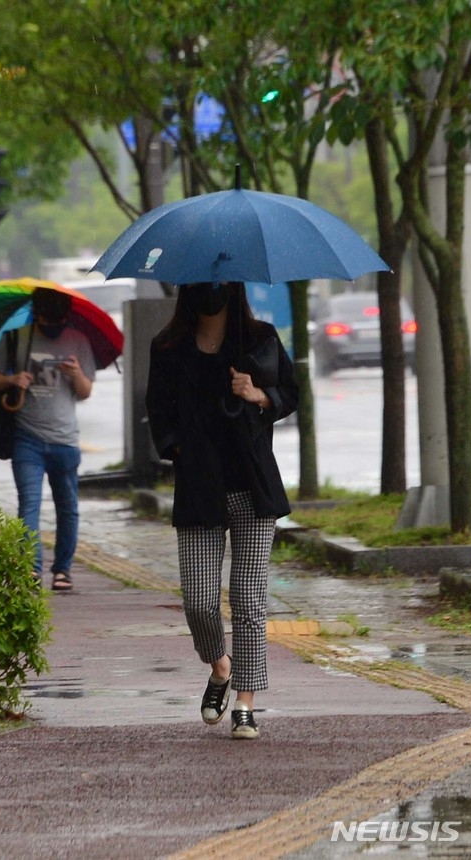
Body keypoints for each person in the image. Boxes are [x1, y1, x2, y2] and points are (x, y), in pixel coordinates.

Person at [145, 281, 299, 739]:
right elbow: (158, 410)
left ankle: (246, 703)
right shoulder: (168, 345)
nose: (211, 290)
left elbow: (290, 392)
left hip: (253, 485)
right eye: (202, 282)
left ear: (232, 286)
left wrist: (258, 395)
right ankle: (220, 667)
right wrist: (180, 449)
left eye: (219, 282)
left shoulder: (259, 338)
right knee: (199, 602)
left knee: (249, 600)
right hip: (199, 487)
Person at [0, 287, 95, 591]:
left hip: (66, 440)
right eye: (49, 321)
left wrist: (76, 374)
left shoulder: (78, 340)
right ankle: (31, 568)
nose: (55, 326)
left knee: (68, 508)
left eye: (60, 321)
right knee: (29, 504)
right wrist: (13, 379)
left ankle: (63, 570)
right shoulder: (16, 338)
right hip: (27, 438)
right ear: (36, 314)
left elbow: (85, 391)